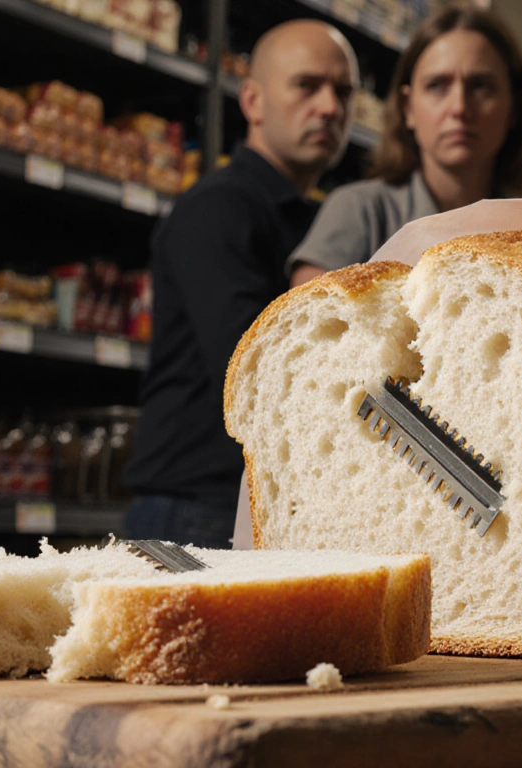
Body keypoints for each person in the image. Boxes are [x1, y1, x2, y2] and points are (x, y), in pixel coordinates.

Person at [122, 20, 359, 547]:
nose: (328, 107)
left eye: (343, 92)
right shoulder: (219, 209)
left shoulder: (312, 218)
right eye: (306, 85)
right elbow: (253, 367)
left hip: (243, 502)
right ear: (252, 101)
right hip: (196, 511)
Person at [287, 6, 522, 287]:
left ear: (514, 108)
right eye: (437, 85)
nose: (459, 107)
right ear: (407, 107)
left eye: (481, 86)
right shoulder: (359, 209)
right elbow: (311, 320)